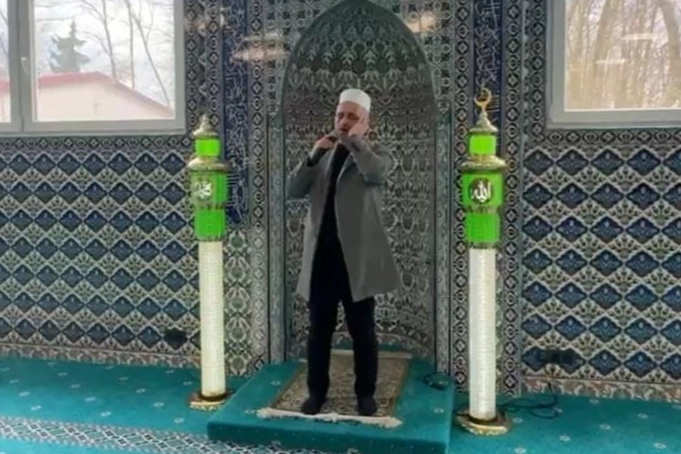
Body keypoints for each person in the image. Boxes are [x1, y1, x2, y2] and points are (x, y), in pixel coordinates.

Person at [286, 88, 400, 417]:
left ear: (366, 122)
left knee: (362, 331)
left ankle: (365, 394)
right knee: (319, 331)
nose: (344, 121)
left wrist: (357, 142)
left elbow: (376, 173)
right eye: (340, 115)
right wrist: (312, 156)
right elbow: (293, 190)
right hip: (322, 259)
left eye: (352, 116)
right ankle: (316, 392)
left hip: (356, 261)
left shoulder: (377, 152)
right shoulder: (322, 155)